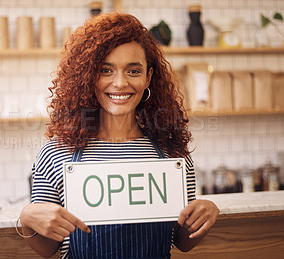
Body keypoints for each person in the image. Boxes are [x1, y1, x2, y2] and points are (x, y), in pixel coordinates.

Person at [19, 12, 219, 259]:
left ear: (148, 78)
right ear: (89, 77)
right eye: (106, 70)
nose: (120, 83)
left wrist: (205, 214)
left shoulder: (172, 154)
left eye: (133, 71)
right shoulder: (55, 154)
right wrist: (27, 218)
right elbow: (48, 249)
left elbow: (182, 241)